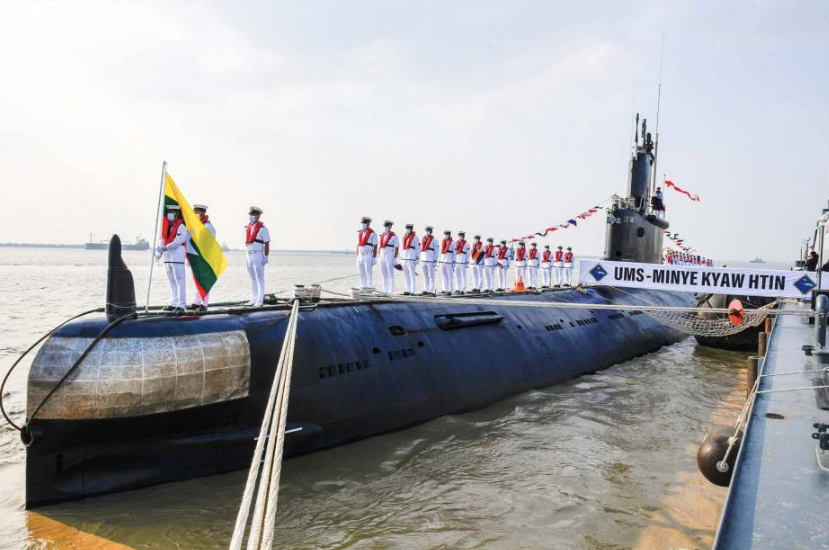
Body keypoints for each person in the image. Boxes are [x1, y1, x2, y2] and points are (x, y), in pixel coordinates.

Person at [155, 204, 187, 313]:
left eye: (172, 212)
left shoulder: (181, 226)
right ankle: (174, 302)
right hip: (167, 255)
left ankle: (181, 305)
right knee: (172, 280)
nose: (170, 214)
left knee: (180, 280)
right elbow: (162, 239)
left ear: (177, 214)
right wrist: (158, 252)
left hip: (177, 254)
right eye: (169, 212)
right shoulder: (166, 227)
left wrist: (165, 248)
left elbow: (178, 241)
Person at [186, 204, 215, 312]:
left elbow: (210, 244)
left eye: (196, 212)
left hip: (203, 258)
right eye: (194, 212)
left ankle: (204, 303)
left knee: (204, 281)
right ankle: (197, 301)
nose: (194, 214)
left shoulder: (208, 227)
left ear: (203, 213)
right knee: (197, 280)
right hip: (194, 257)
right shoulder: (194, 226)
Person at [245, 206, 270, 306]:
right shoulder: (248, 227)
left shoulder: (263, 229)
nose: (251, 216)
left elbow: (267, 243)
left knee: (260, 278)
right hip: (249, 255)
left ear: (258, 216)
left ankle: (260, 300)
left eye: (253, 215)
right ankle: (253, 298)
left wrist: (266, 256)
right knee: (252, 279)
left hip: (258, 254)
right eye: (250, 215)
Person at [356, 216, 378, 289]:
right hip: (360, 256)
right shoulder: (360, 233)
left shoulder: (372, 233)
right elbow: (358, 244)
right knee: (361, 273)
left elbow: (375, 246)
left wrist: (374, 257)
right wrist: (357, 255)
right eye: (363, 223)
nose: (363, 224)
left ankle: (369, 287)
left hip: (368, 256)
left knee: (368, 273)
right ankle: (363, 287)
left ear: (368, 223)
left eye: (365, 223)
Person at [378, 220, 399, 294]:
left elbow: (396, 248)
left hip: (389, 255)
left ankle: (391, 291)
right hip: (382, 255)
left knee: (390, 273)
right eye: (385, 226)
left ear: (390, 226)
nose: (386, 227)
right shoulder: (382, 235)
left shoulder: (394, 236)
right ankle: (385, 290)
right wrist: (378, 256)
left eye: (387, 226)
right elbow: (380, 247)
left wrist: (395, 258)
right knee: (383, 273)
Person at [400, 224, 420, 295]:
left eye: (409, 228)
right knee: (406, 275)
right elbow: (403, 248)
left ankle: (412, 291)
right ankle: (407, 290)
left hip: (411, 258)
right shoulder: (404, 237)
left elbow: (418, 248)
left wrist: (417, 258)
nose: (408, 229)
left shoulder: (415, 238)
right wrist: (401, 257)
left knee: (412, 275)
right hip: (404, 258)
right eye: (407, 228)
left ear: (411, 229)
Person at [419, 226, 439, 294]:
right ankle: (426, 289)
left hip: (430, 259)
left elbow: (436, 251)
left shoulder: (434, 240)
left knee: (431, 276)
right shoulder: (423, 239)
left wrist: (435, 260)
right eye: (426, 230)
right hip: (423, 259)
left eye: (429, 230)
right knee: (425, 276)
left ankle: (430, 290)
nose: (427, 232)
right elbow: (420, 250)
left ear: (431, 232)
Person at [439, 230, 456, 294]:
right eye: (444, 234)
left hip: (449, 261)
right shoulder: (442, 242)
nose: (445, 235)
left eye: (447, 234)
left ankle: (450, 290)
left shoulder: (452, 243)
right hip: (443, 261)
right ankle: (444, 289)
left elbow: (454, 253)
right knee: (444, 276)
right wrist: (439, 260)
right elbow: (440, 252)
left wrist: (454, 261)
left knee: (450, 276)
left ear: (449, 235)